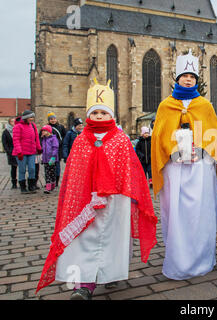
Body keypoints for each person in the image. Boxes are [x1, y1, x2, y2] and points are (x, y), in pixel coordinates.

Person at [36, 79, 157, 299]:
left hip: (115, 199)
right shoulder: (82, 140)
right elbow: (75, 171)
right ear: (88, 115)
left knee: (113, 238)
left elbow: (130, 167)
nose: (99, 117)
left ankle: (111, 274)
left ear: (111, 115)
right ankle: (84, 283)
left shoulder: (120, 139)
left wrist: (127, 192)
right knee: (86, 238)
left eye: (103, 112)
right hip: (87, 200)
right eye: (95, 113)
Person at [151, 49, 217, 280]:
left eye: (192, 77)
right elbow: (159, 136)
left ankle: (201, 257)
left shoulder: (204, 105)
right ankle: (178, 255)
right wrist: (174, 148)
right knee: (175, 211)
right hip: (174, 168)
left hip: (200, 167)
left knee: (200, 210)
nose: (188, 79)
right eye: (185, 76)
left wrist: (202, 147)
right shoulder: (166, 105)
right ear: (177, 78)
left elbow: (214, 133)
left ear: (197, 80)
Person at [12, 110, 42, 194]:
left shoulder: (33, 125)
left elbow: (36, 138)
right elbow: (16, 140)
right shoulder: (18, 126)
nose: (32, 119)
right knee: (22, 170)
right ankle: (23, 187)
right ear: (26, 118)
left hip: (31, 151)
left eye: (33, 117)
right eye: (31, 117)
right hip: (21, 152)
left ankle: (31, 186)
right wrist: (19, 152)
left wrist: (39, 148)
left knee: (32, 168)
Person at [47, 112, 67, 187]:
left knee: (57, 165)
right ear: (49, 120)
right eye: (51, 119)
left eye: (54, 119)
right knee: (50, 165)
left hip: (58, 149)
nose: (53, 120)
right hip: (49, 149)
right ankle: (50, 180)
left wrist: (61, 142)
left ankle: (56, 181)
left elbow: (65, 136)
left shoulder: (61, 127)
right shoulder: (47, 127)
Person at [40, 125, 59, 194]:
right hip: (45, 159)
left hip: (52, 159)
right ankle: (48, 187)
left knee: (52, 172)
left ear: (48, 131)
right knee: (47, 173)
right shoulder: (44, 139)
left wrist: (53, 156)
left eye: (44, 131)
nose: (43, 132)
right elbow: (43, 149)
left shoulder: (53, 138)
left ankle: (53, 184)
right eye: (42, 131)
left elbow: (55, 147)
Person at [2, 117, 18, 189]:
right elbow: (4, 143)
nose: (13, 123)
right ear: (9, 122)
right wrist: (8, 151)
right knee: (13, 167)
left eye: (14, 121)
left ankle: (22, 182)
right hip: (11, 152)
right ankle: (14, 183)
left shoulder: (18, 129)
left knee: (22, 167)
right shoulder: (6, 132)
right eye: (12, 121)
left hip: (19, 151)